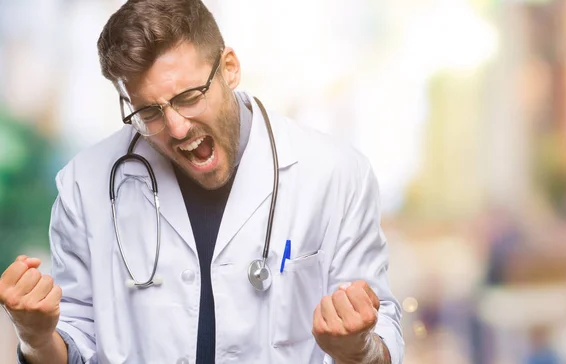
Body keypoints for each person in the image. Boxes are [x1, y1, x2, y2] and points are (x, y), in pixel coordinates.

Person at [0, 0, 404, 363]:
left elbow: (381, 333)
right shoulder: (83, 186)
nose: (175, 128)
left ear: (230, 68)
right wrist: (36, 339)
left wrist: (358, 350)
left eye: (189, 96)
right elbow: (73, 344)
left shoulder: (335, 173)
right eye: (149, 112)